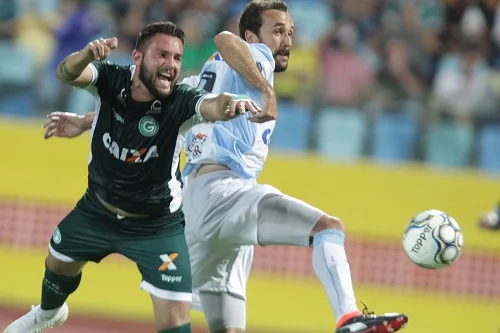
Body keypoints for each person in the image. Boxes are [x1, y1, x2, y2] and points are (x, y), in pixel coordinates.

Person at [38, 2, 409, 333]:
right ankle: (349, 318)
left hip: (196, 208)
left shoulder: (206, 79)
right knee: (327, 228)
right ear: (253, 36)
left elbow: (153, 109)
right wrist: (266, 88)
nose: (286, 40)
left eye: (290, 32)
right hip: (223, 192)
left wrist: (87, 121)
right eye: (277, 30)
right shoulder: (255, 57)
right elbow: (224, 38)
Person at [3, 21, 268, 333]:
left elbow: (212, 105)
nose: (171, 65)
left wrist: (231, 105)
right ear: (139, 58)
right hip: (97, 209)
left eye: (177, 58)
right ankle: (48, 314)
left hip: (156, 225)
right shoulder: (111, 79)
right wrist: (87, 54)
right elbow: (67, 73)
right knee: (57, 261)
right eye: (163, 55)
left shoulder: (182, 100)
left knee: (174, 321)